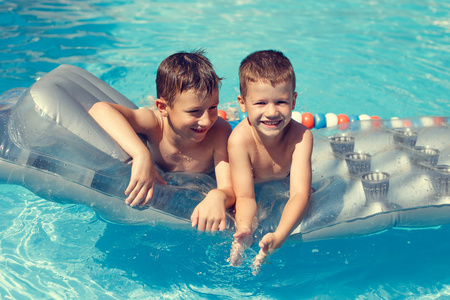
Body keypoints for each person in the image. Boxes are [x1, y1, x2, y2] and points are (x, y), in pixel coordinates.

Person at [89, 50, 234, 231]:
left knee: (221, 118)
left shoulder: (218, 131)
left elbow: (230, 189)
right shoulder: (155, 124)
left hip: (200, 180)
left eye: (212, 106)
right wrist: (141, 155)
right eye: (194, 111)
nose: (206, 120)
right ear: (162, 107)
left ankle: (224, 112)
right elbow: (99, 109)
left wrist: (218, 195)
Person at [228, 50, 313, 273]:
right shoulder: (239, 140)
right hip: (253, 190)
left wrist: (280, 236)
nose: (272, 112)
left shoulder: (301, 137)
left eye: (281, 101)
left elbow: (299, 194)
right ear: (243, 103)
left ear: (293, 101)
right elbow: (245, 196)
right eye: (261, 103)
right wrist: (245, 228)